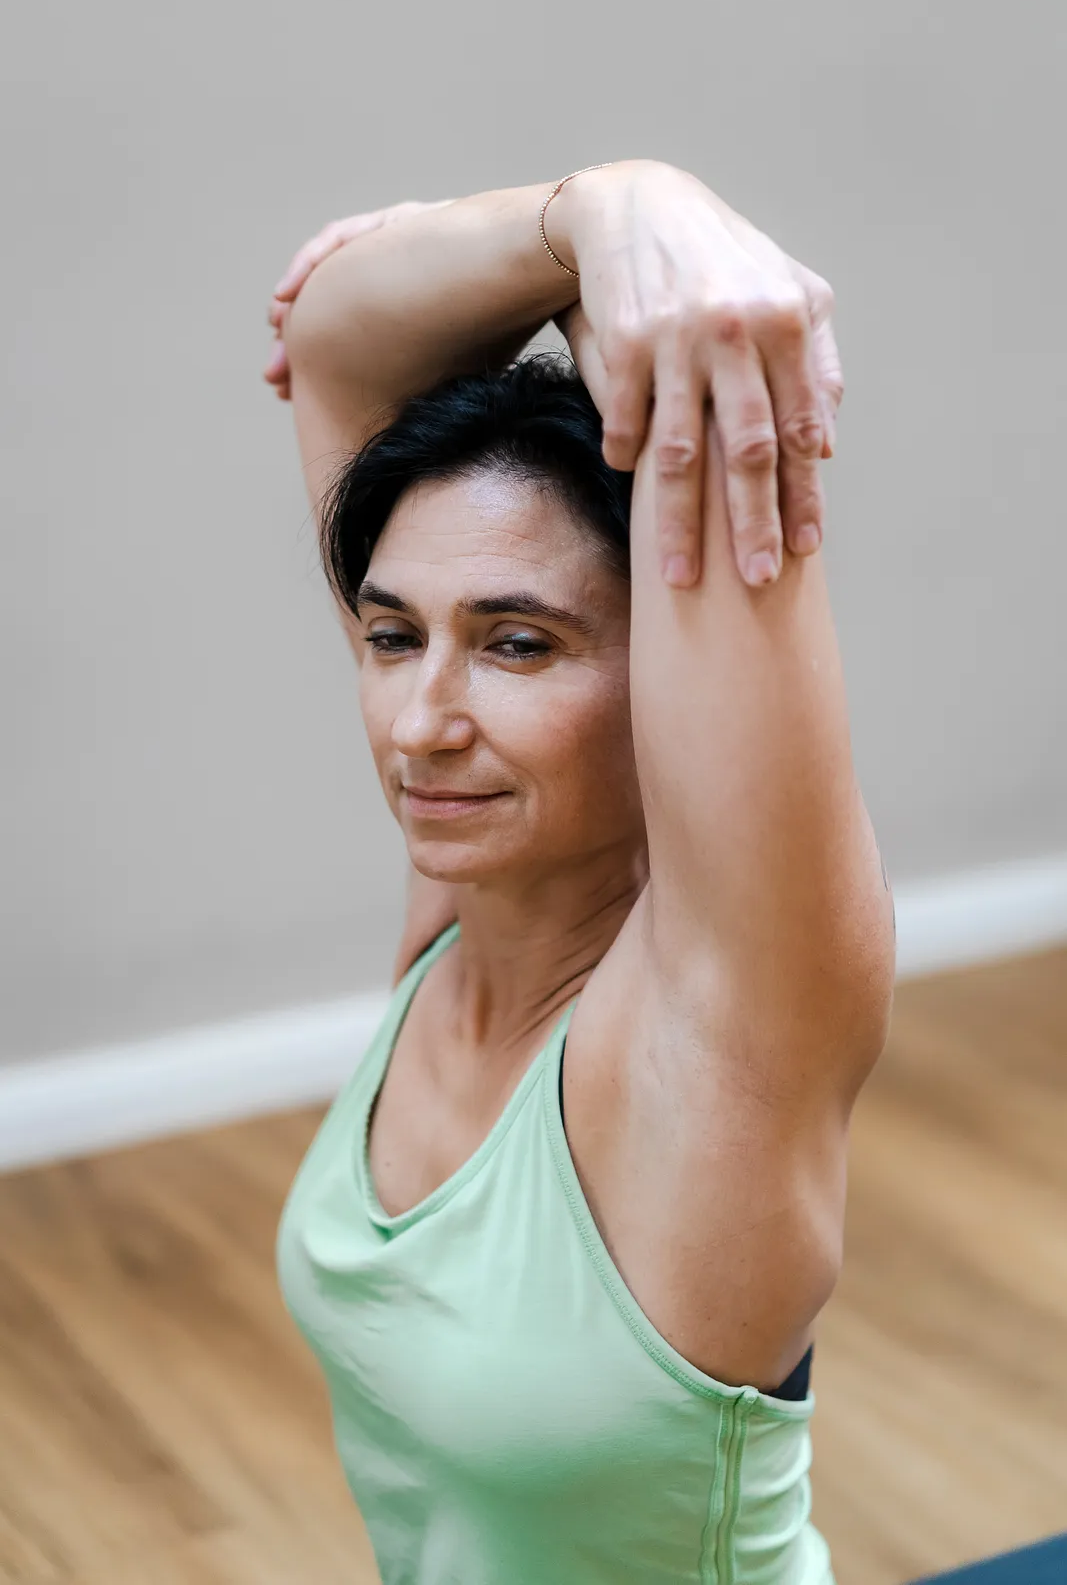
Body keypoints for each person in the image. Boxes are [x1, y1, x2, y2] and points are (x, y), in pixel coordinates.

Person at [266, 159, 896, 1585]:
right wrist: (594, 213)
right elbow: (336, 344)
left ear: (661, 681)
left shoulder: (723, 1024)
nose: (421, 724)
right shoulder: (467, 904)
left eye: (518, 643)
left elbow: (700, 415)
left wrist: (642, 217)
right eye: (389, 635)